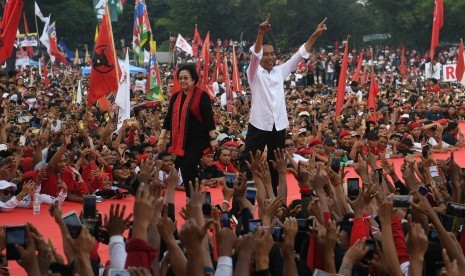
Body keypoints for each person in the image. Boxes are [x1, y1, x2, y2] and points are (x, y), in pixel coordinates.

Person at [243, 14, 327, 192]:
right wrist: (260, 34)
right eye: (266, 54)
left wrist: (315, 34)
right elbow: (254, 56)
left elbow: (299, 55)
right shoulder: (254, 73)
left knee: (277, 162)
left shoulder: (280, 71)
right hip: (259, 124)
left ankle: (274, 195)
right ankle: (244, 196)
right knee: (248, 161)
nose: (270, 57)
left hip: (278, 124)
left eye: (272, 54)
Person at [157, 64, 217, 197]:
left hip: (198, 139)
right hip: (180, 141)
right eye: (180, 78)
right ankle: (194, 198)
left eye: (186, 78)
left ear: (194, 80)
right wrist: (161, 138)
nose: (182, 81)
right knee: (186, 169)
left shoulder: (202, 96)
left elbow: (209, 120)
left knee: (187, 166)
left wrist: (213, 139)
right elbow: (168, 119)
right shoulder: (175, 97)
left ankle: (193, 198)